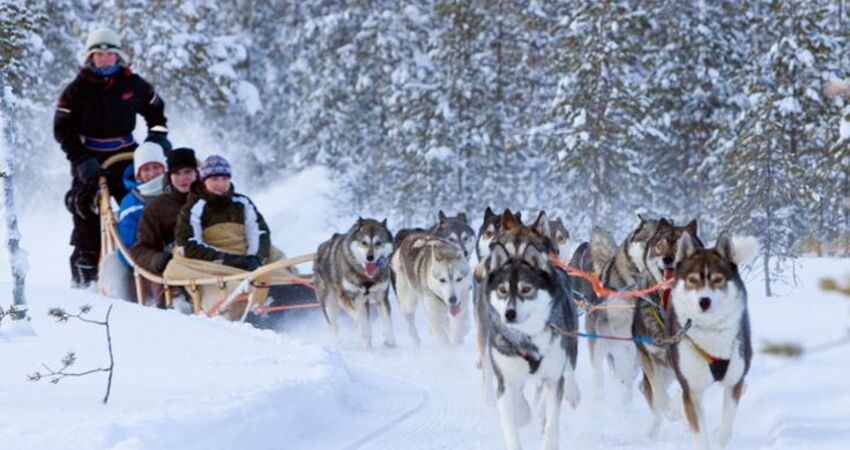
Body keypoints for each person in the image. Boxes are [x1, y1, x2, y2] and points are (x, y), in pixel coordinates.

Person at [54, 27, 171, 288]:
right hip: (91, 159)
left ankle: (156, 263)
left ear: (118, 56)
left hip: (128, 154)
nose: (105, 59)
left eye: (109, 54)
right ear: (90, 58)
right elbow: (62, 130)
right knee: (86, 214)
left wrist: (158, 139)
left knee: (146, 204)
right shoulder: (76, 90)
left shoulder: (133, 83)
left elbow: (156, 112)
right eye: (99, 54)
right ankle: (85, 281)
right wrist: (81, 160)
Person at [164, 155, 293, 317]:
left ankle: (287, 292)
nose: (220, 184)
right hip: (212, 264)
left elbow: (258, 231)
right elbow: (189, 243)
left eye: (224, 179)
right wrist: (227, 259)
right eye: (215, 179)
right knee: (222, 286)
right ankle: (238, 307)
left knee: (276, 264)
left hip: (245, 256)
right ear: (204, 181)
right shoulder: (194, 207)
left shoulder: (242, 202)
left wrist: (255, 257)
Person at [117, 142, 166, 268]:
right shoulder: (131, 204)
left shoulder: (175, 191)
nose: (152, 173)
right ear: (138, 174)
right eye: (146, 169)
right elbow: (127, 247)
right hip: (147, 261)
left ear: (164, 169)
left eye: (156, 167)